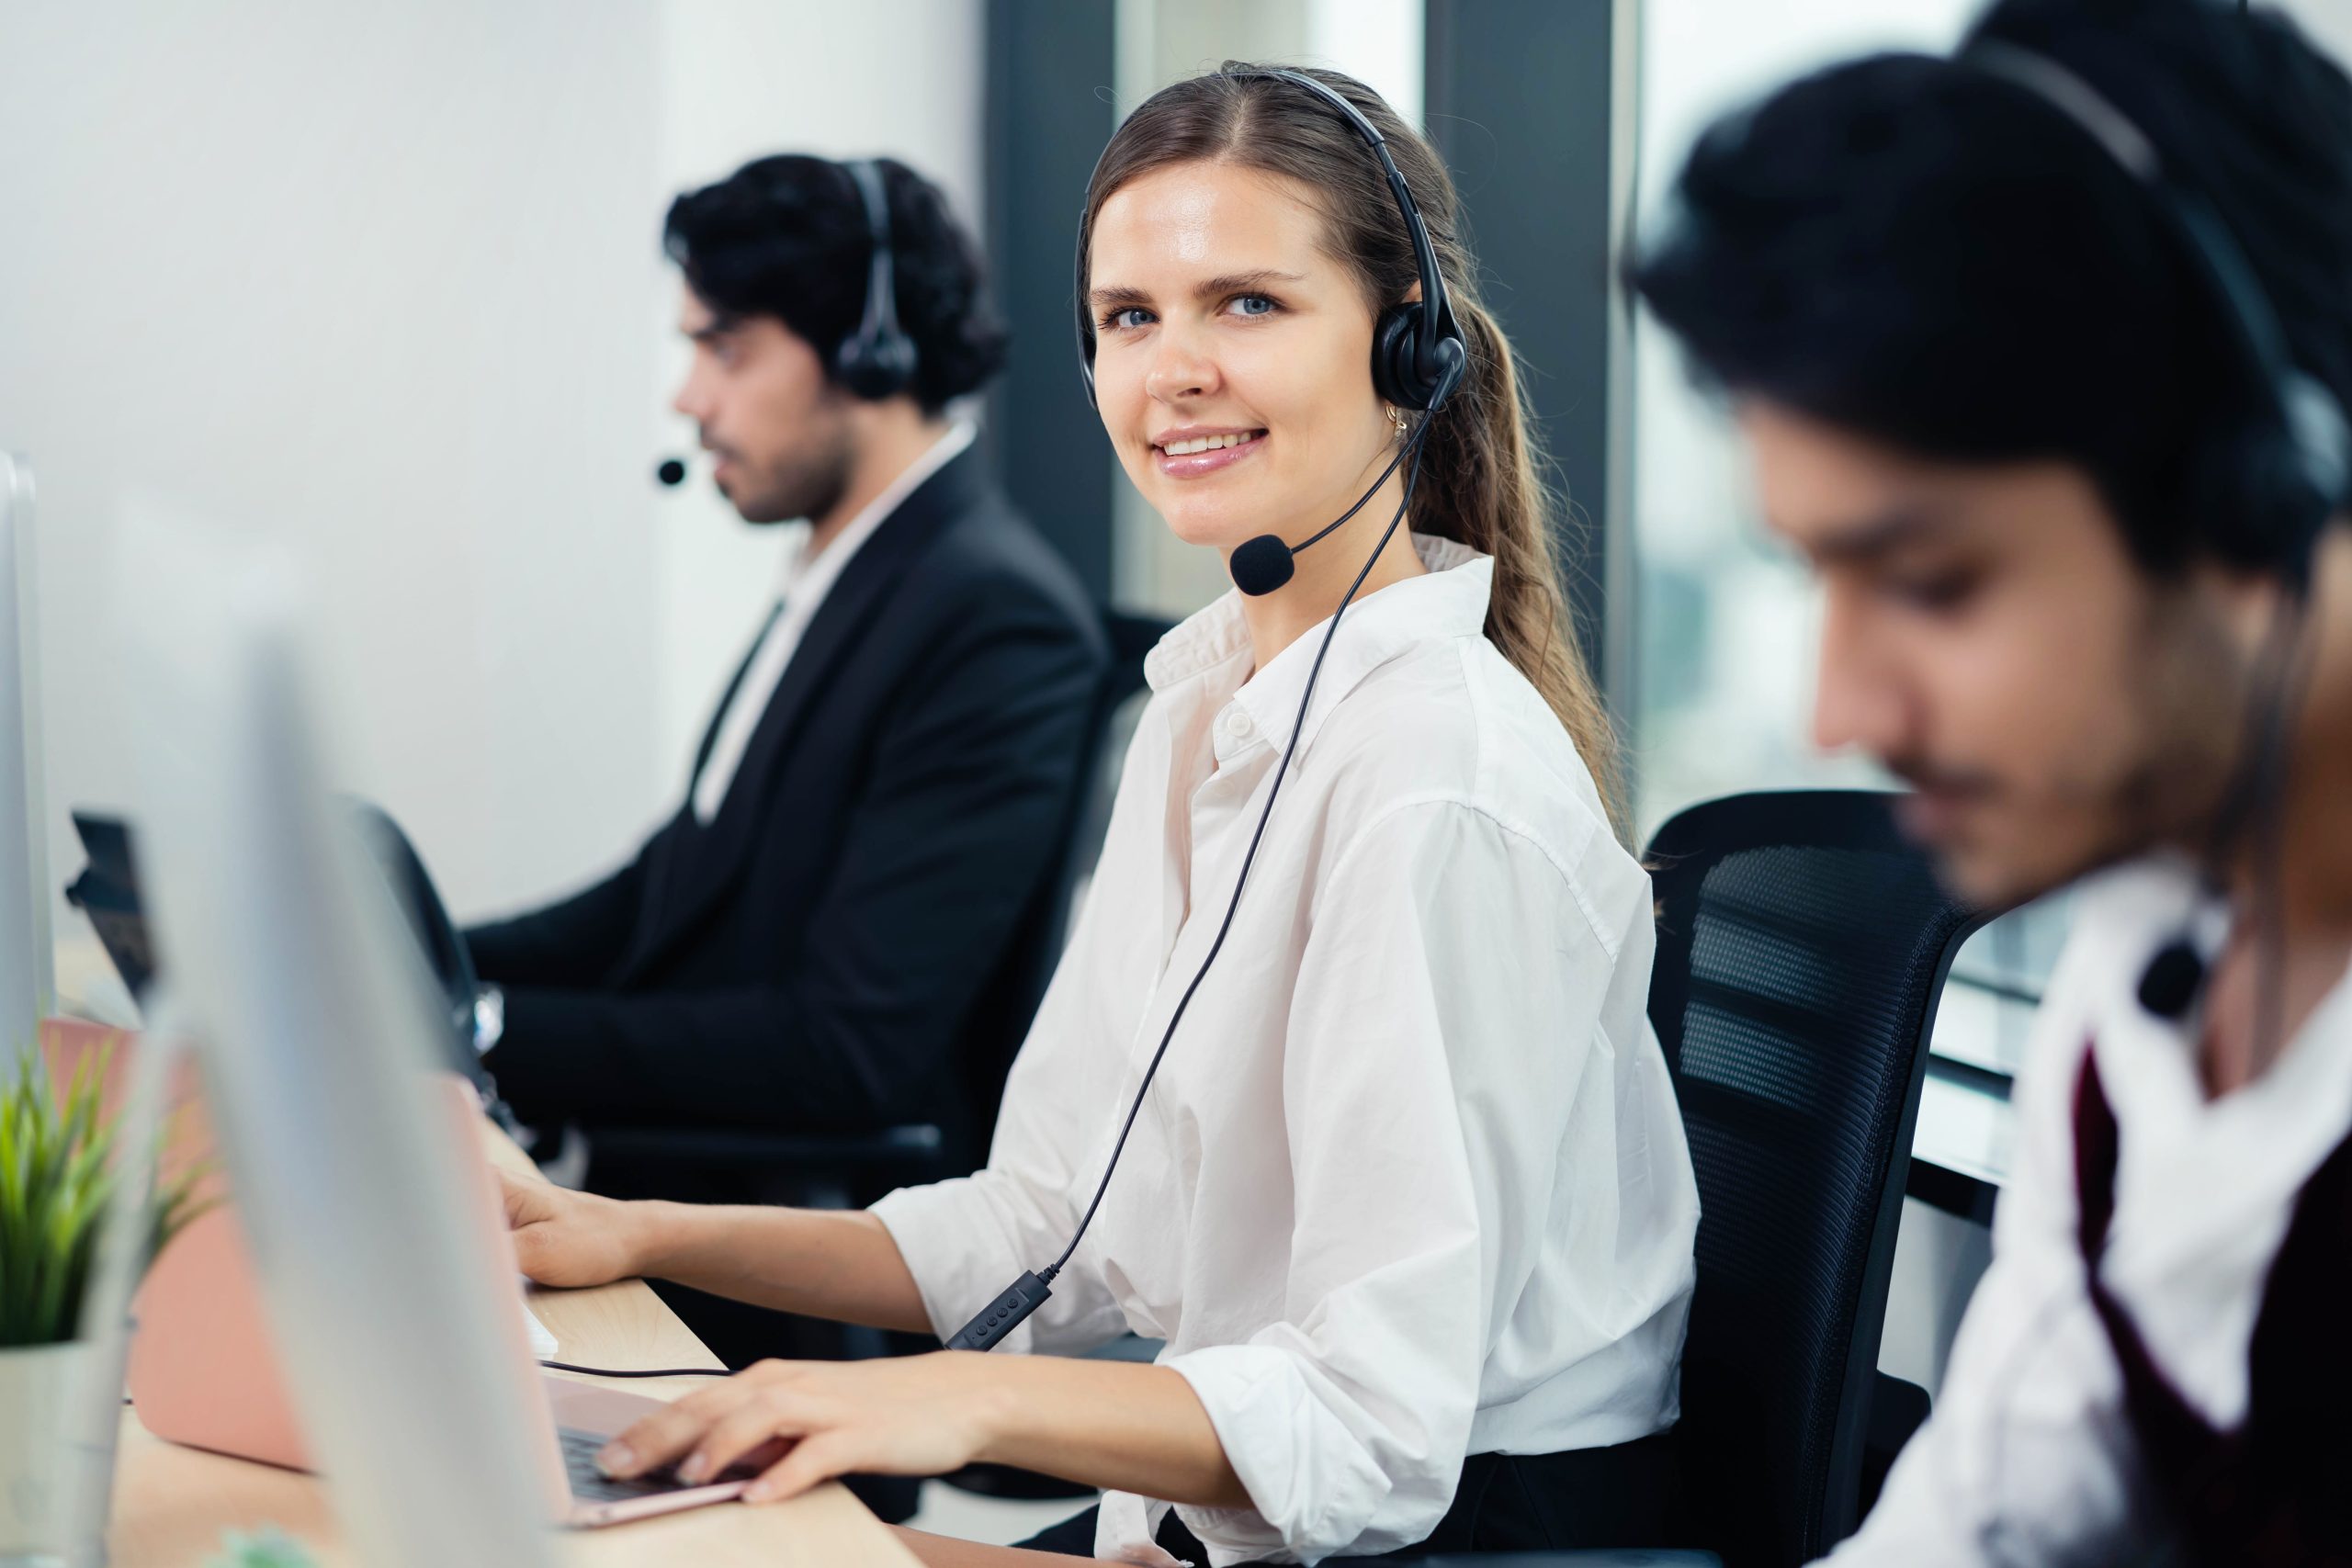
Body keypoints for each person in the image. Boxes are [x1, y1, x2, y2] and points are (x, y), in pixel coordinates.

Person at [499, 65, 1699, 1567]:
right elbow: (1041, 1224)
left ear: (1409, 344)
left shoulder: (1433, 782)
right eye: (1130, 317)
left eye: (1246, 303)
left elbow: (1375, 1427)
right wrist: (636, 1232)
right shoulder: (1208, 713)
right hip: (1234, 1515)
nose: (1172, 369)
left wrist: (957, 1407)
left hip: (1444, 1541)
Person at [1632, 0, 2352, 1560]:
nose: (1839, 711)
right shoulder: (2152, 966)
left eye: (1936, 582)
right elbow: (1986, 1525)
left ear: (2262, 485)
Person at [463, 155, 1105, 1165]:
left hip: (775, 1248)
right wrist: (434, 975)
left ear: (869, 350)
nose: (689, 399)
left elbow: (850, 1047)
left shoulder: (991, 617)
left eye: (726, 351)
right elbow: (676, 884)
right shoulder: (848, 570)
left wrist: (484, 1031)